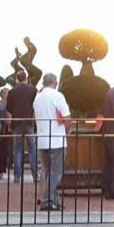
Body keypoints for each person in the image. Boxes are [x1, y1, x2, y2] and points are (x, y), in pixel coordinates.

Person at [32, 73, 71, 211]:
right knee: (56, 172)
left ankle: (54, 200)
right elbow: (67, 117)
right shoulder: (57, 96)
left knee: (48, 172)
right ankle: (47, 200)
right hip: (56, 139)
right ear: (56, 82)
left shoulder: (37, 98)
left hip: (42, 139)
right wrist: (67, 131)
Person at [6, 70, 37, 183]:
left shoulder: (12, 92)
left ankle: (17, 176)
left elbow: (9, 108)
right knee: (32, 149)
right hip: (28, 121)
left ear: (16, 79)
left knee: (18, 149)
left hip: (17, 122)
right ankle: (35, 175)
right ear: (26, 78)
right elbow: (35, 105)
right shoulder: (33, 90)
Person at [0, 87, 12, 178]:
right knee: (2, 150)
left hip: (4, 130)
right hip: (3, 131)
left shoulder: (3, 104)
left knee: (4, 150)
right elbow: (5, 119)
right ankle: (2, 170)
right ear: (3, 95)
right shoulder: (2, 105)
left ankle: (3, 170)